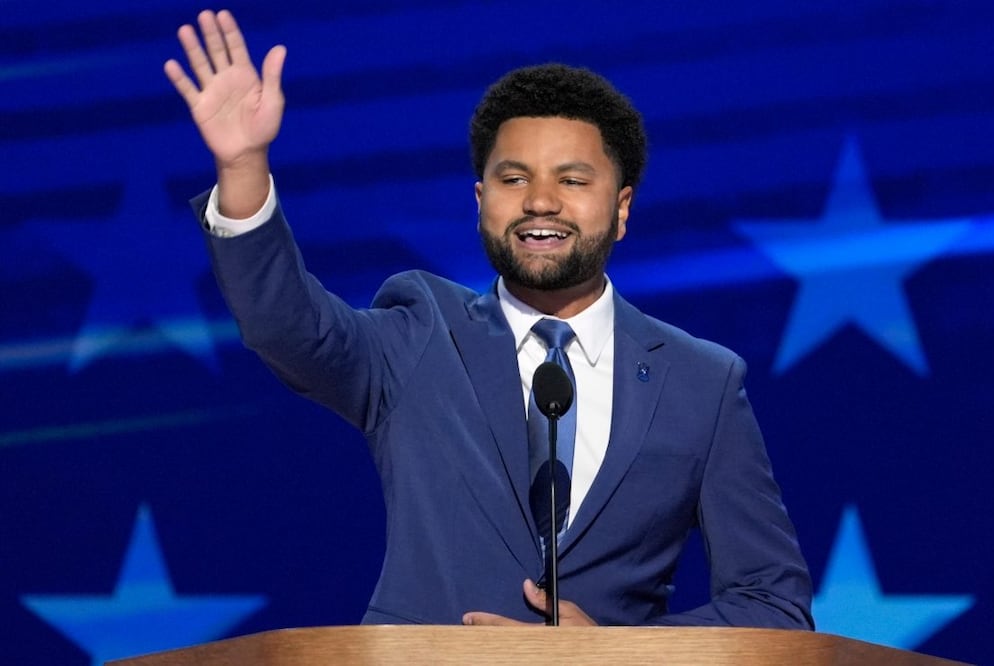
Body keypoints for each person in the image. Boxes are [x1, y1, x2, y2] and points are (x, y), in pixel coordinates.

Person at [164, 9, 813, 628]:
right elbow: (287, 329)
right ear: (480, 202)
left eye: (572, 180)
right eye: (512, 179)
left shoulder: (702, 382)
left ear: (620, 208)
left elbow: (772, 604)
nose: (538, 201)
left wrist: (619, 651)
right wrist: (243, 167)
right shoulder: (421, 330)